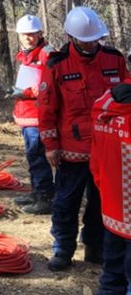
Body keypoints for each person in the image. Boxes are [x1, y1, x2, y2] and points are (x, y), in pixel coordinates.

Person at [38, 6, 127, 272]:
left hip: (107, 150)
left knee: (102, 205)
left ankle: (95, 248)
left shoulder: (114, 59)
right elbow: (46, 109)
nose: (91, 44)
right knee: (66, 203)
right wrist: (50, 146)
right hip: (72, 151)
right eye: (85, 40)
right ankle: (63, 249)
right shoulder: (56, 64)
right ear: (71, 37)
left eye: (94, 39)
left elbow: (125, 101)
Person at [10, 14, 55, 215]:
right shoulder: (25, 54)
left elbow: (49, 86)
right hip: (26, 115)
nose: (28, 38)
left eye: (32, 34)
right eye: (24, 34)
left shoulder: (47, 54)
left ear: (40, 33)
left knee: (38, 157)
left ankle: (45, 197)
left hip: (38, 117)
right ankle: (37, 192)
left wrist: (26, 92)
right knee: (32, 156)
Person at [91, 79, 131, 294]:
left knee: (112, 274)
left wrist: (107, 193)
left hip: (113, 212)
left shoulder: (103, 107)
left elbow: (96, 162)